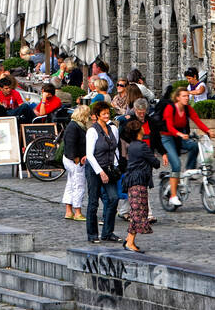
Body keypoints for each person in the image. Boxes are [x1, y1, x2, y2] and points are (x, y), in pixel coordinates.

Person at [161, 87, 212, 208]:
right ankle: (173, 196)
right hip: (167, 137)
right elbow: (169, 126)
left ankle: (189, 170)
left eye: (188, 96)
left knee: (194, 146)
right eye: (184, 96)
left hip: (180, 137)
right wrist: (179, 134)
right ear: (177, 97)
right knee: (176, 165)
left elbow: (197, 120)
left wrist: (208, 130)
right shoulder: (170, 108)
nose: (187, 98)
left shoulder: (188, 109)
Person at [84, 101, 121, 244]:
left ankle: (107, 232)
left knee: (113, 198)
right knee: (93, 202)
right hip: (94, 169)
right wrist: (100, 172)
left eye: (107, 113)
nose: (106, 115)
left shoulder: (113, 129)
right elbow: (90, 154)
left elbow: (115, 149)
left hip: (109, 167)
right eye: (103, 113)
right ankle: (92, 234)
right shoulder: (92, 131)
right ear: (97, 115)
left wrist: (116, 166)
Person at [121, 119, 157, 252]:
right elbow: (155, 162)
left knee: (136, 211)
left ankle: (128, 240)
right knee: (139, 212)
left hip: (132, 180)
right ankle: (130, 242)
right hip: (139, 181)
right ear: (138, 131)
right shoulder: (142, 146)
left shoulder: (132, 146)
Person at [60, 103, 90, 221]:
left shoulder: (75, 125)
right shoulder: (75, 127)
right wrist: (76, 159)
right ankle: (77, 211)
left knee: (71, 184)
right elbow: (71, 145)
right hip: (75, 160)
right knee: (78, 185)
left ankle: (69, 211)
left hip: (72, 159)